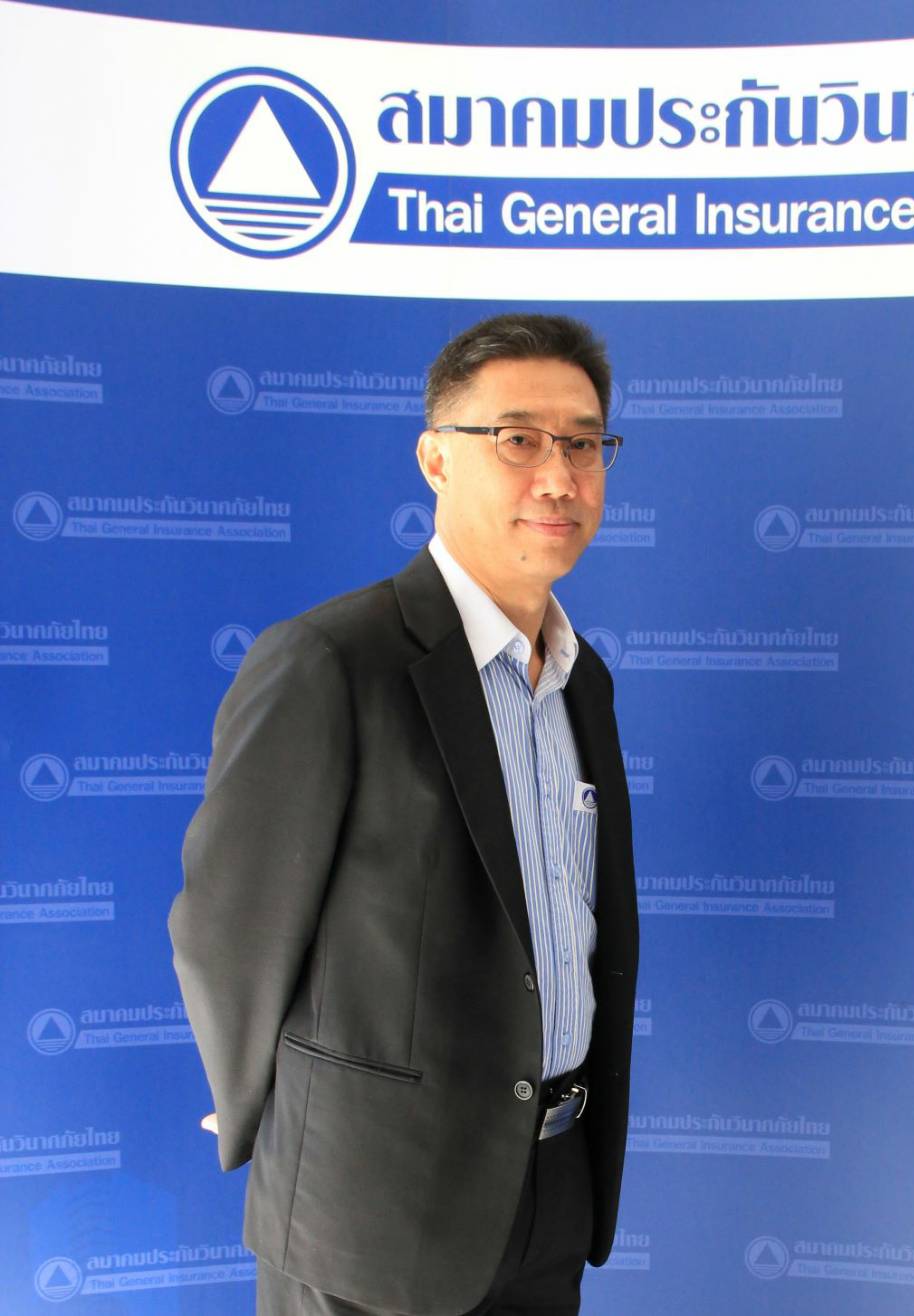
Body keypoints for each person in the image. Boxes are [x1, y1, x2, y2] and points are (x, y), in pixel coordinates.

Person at [169, 313, 638, 1316]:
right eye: (517, 438)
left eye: (583, 442)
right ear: (435, 457)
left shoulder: (582, 681)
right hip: (368, 1209)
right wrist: (277, 1123)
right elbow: (227, 927)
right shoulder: (334, 661)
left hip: (551, 1191)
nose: (557, 476)